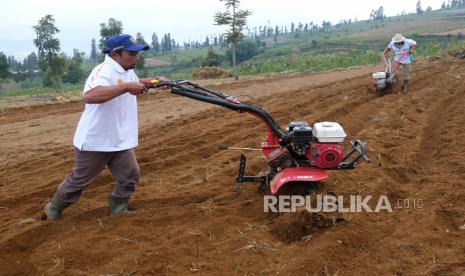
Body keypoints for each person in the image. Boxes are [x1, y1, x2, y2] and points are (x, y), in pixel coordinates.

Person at [44, 34, 162, 220]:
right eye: (131, 53)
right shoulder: (104, 70)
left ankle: (118, 208)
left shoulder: (127, 70)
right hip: (95, 140)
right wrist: (127, 87)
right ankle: (54, 207)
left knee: (130, 175)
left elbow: (131, 85)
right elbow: (90, 96)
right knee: (79, 180)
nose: (136, 58)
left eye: (137, 53)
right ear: (115, 54)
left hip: (118, 138)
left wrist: (154, 82)